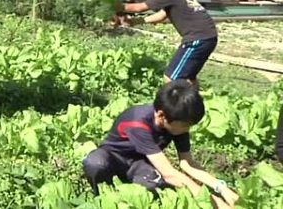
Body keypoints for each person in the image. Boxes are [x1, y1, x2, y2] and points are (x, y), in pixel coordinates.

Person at [83, 80, 239, 208]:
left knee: (153, 186)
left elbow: (187, 164)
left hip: (139, 163)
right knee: (96, 163)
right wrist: (215, 203)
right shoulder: (138, 123)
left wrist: (222, 188)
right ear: (161, 115)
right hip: (113, 157)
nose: (187, 129)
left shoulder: (177, 124)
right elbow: (169, 173)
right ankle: (102, 199)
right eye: (185, 125)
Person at [119, 0, 218, 85]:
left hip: (198, 38)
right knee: (189, 78)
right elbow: (161, 15)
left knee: (170, 78)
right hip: (208, 37)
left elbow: (139, 7)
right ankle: (194, 102)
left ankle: (173, 103)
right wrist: (135, 21)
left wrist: (113, 4)